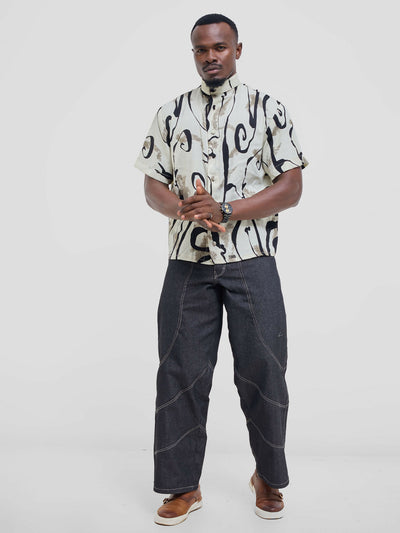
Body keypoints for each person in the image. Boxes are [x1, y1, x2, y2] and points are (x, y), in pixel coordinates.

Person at [135, 13, 308, 526]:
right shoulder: (170, 113)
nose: (210, 56)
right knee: (180, 373)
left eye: (220, 47)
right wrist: (185, 209)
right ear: (193, 53)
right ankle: (182, 486)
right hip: (186, 263)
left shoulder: (268, 109)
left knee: (264, 369)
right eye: (201, 49)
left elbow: (292, 187)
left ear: (237, 49)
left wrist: (227, 210)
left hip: (251, 259)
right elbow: (152, 185)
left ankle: (268, 477)